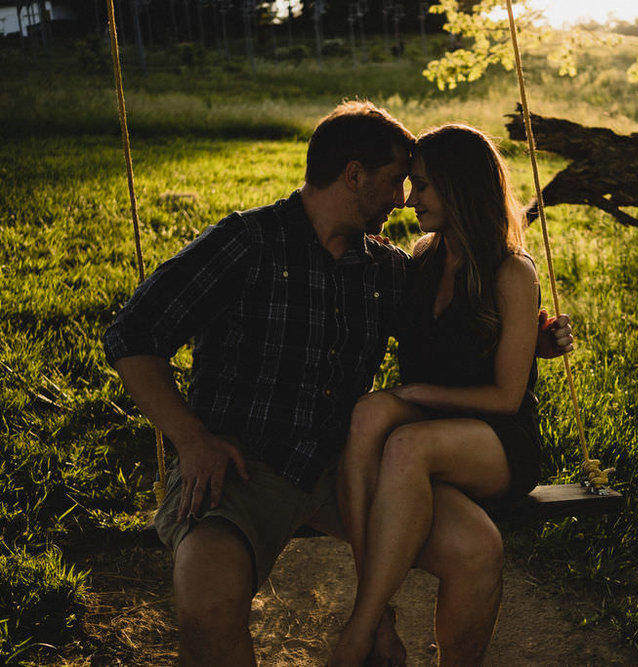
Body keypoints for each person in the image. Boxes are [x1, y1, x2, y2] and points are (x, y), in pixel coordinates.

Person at [102, 101, 571, 666]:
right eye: (399, 181)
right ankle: (374, 628)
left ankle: (373, 624)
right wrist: (191, 439)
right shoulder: (247, 243)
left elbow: (454, 331)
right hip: (243, 466)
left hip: (343, 467)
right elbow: (132, 333)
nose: (404, 198)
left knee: (477, 548)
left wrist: (528, 340)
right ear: (354, 175)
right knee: (206, 602)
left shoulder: (387, 269)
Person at [329, 124, 544, 666]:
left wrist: (421, 391)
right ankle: (377, 618)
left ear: (460, 187)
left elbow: (505, 397)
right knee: (371, 411)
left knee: (406, 446)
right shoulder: (421, 260)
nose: (409, 198)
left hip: (498, 439)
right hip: (430, 427)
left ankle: (361, 628)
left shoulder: (511, 272)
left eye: (421, 186)